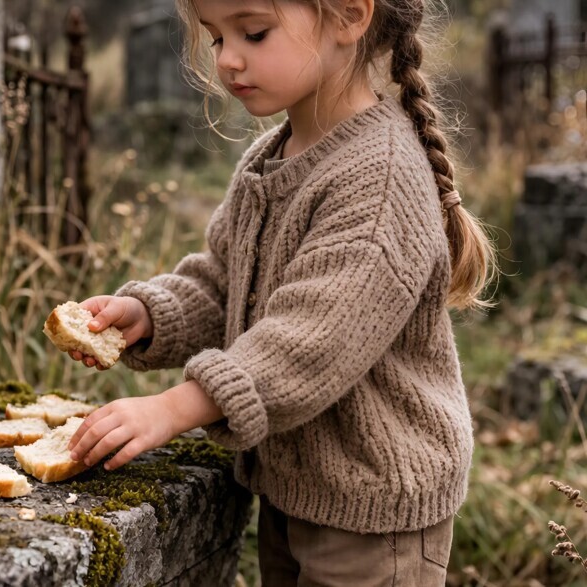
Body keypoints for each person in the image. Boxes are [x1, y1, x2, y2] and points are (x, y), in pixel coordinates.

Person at [65, 0, 497, 584]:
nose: (228, 60)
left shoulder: (380, 176)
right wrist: (150, 312)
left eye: (254, 32)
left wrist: (173, 409)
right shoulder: (271, 157)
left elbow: (309, 342)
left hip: (374, 518)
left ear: (349, 16)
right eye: (217, 39)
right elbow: (225, 282)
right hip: (294, 490)